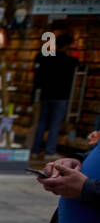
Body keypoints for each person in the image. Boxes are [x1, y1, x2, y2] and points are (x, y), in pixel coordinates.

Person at [32, 32, 79, 160]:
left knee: (41, 122)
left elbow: (37, 71)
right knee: (55, 124)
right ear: (67, 46)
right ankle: (50, 151)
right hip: (61, 95)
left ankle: (35, 149)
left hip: (45, 94)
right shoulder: (69, 60)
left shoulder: (45, 57)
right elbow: (77, 65)